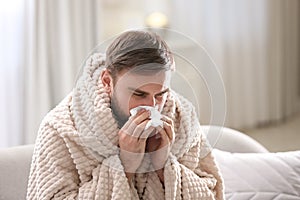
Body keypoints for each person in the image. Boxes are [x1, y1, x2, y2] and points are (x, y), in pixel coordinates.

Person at [26, 30, 224, 199]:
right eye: (139, 94)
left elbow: (213, 192)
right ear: (107, 81)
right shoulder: (60, 128)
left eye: (161, 94)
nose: (152, 106)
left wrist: (164, 166)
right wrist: (125, 165)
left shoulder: (182, 116)